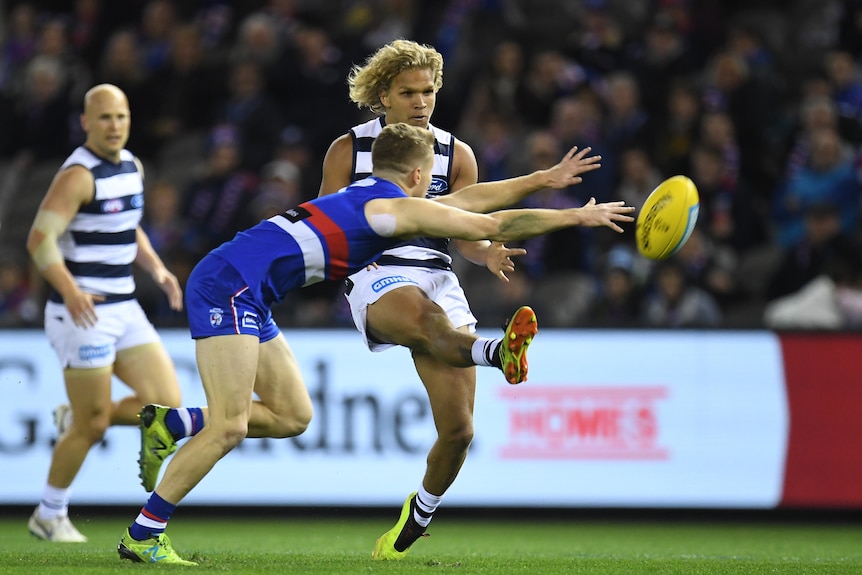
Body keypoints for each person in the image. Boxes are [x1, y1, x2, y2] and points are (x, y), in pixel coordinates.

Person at [118, 122, 634, 565]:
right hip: (228, 285)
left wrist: (541, 180)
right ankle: (144, 534)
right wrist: (575, 216)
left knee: (293, 415)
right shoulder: (390, 211)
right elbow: (490, 223)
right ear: (417, 175)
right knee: (230, 424)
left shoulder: (369, 196)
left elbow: (469, 201)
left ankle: (176, 422)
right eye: (427, 175)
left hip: (246, 286)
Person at [317, 40, 604, 560]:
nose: (421, 102)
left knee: (459, 431)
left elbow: (468, 229)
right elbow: (324, 223)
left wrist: (486, 253)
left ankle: (418, 514)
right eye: (408, 92)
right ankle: (497, 353)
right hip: (376, 272)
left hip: (437, 275)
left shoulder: (457, 153)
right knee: (426, 321)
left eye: (428, 91)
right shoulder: (349, 150)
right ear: (383, 95)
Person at [24, 83, 185, 542]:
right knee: (94, 425)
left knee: (166, 405)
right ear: (86, 123)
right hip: (83, 314)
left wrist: (157, 269)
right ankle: (49, 514)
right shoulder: (78, 174)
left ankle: (75, 418)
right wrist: (71, 291)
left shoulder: (132, 166)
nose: (114, 126)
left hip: (125, 308)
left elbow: (128, 226)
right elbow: (39, 239)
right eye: (104, 118)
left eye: (121, 117)